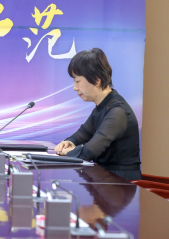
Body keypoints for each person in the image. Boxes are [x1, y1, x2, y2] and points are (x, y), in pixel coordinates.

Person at [54, 48, 141, 180]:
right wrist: (68, 142)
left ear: (96, 80)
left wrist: (68, 152)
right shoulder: (101, 107)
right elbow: (81, 135)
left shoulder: (117, 111)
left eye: (77, 81)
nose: (74, 88)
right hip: (105, 179)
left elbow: (89, 151)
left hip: (121, 184)